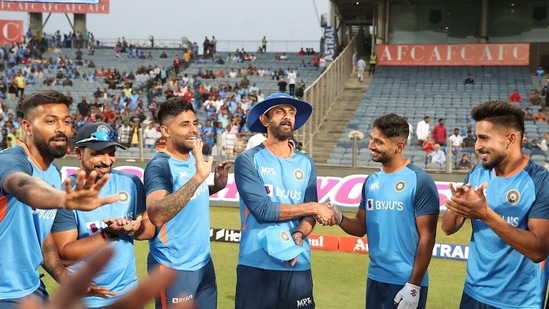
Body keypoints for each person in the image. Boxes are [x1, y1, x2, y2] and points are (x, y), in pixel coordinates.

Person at [0, 91, 119, 307]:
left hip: (32, 287)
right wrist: (64, 199)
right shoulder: (10, 161)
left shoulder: (53, 172)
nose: (61, 128)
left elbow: (43, 240)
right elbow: (22, 184)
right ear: (27, 127)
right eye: (50, 121)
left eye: (66, 121)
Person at [234, 92, 338, 309]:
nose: (287, 117)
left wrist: (299, 234)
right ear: (265, 120)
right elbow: (263, 211)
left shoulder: (306, 163)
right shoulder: (248, 160)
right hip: (256, 263)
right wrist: (314, 207)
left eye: (291, 112)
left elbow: (310, 216)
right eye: (279, 111)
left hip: (297, 263)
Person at [442, 100, 549, 308]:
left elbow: (538, 250)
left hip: (518, 302)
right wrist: (458, 205)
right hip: (473, 294)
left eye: (483, 138)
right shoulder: (477, 173)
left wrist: (485, 214)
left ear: (510, 139)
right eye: (476, 138)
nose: (477, 146)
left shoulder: (540, 181)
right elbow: (447, 228)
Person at [333, 113, 439, 309]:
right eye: (372, 139)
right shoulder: (371, 181)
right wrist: (338, 217)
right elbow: (360, 227)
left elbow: (428, 237)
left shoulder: (420, 181)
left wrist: (414, 284)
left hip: (406, 283)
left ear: (399, 147)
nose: (371, 146)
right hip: (375, 278)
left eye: (378, 142)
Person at [50, 122, 156, 308]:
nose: (107, 161)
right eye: (97, 153)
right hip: (87, 297)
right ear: (79, 153)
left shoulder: (130, 182)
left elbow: (148, 231)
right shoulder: (66, 195)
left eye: (111, 152)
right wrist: (109, 234)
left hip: (128, 293)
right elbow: (65, 255)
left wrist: (131, 229)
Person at [144, 97, 232, 309]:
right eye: (185, 125)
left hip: (203, 264)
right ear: (166, 131)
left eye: (195, 123)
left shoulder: (194, 158)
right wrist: (198, 178)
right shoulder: (160, 166)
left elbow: (188, 196)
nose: (193, 130)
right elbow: (156, 213)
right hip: (173, 267)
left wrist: (214, 187)